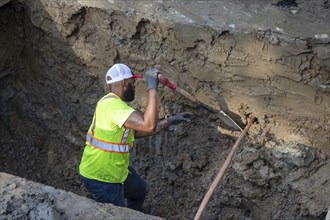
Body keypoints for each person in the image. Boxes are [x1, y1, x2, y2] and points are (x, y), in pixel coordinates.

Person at [79, 63, 193, 211]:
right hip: (102, 177)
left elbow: (137, 132)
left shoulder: (113, 105)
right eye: (133, 83)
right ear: (124, 83)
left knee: (139, 191)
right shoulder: (113, 107)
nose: (134, 87)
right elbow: (148, 125)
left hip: (116, 170)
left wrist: (169, 121)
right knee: (116, 214)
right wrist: (152, 87)